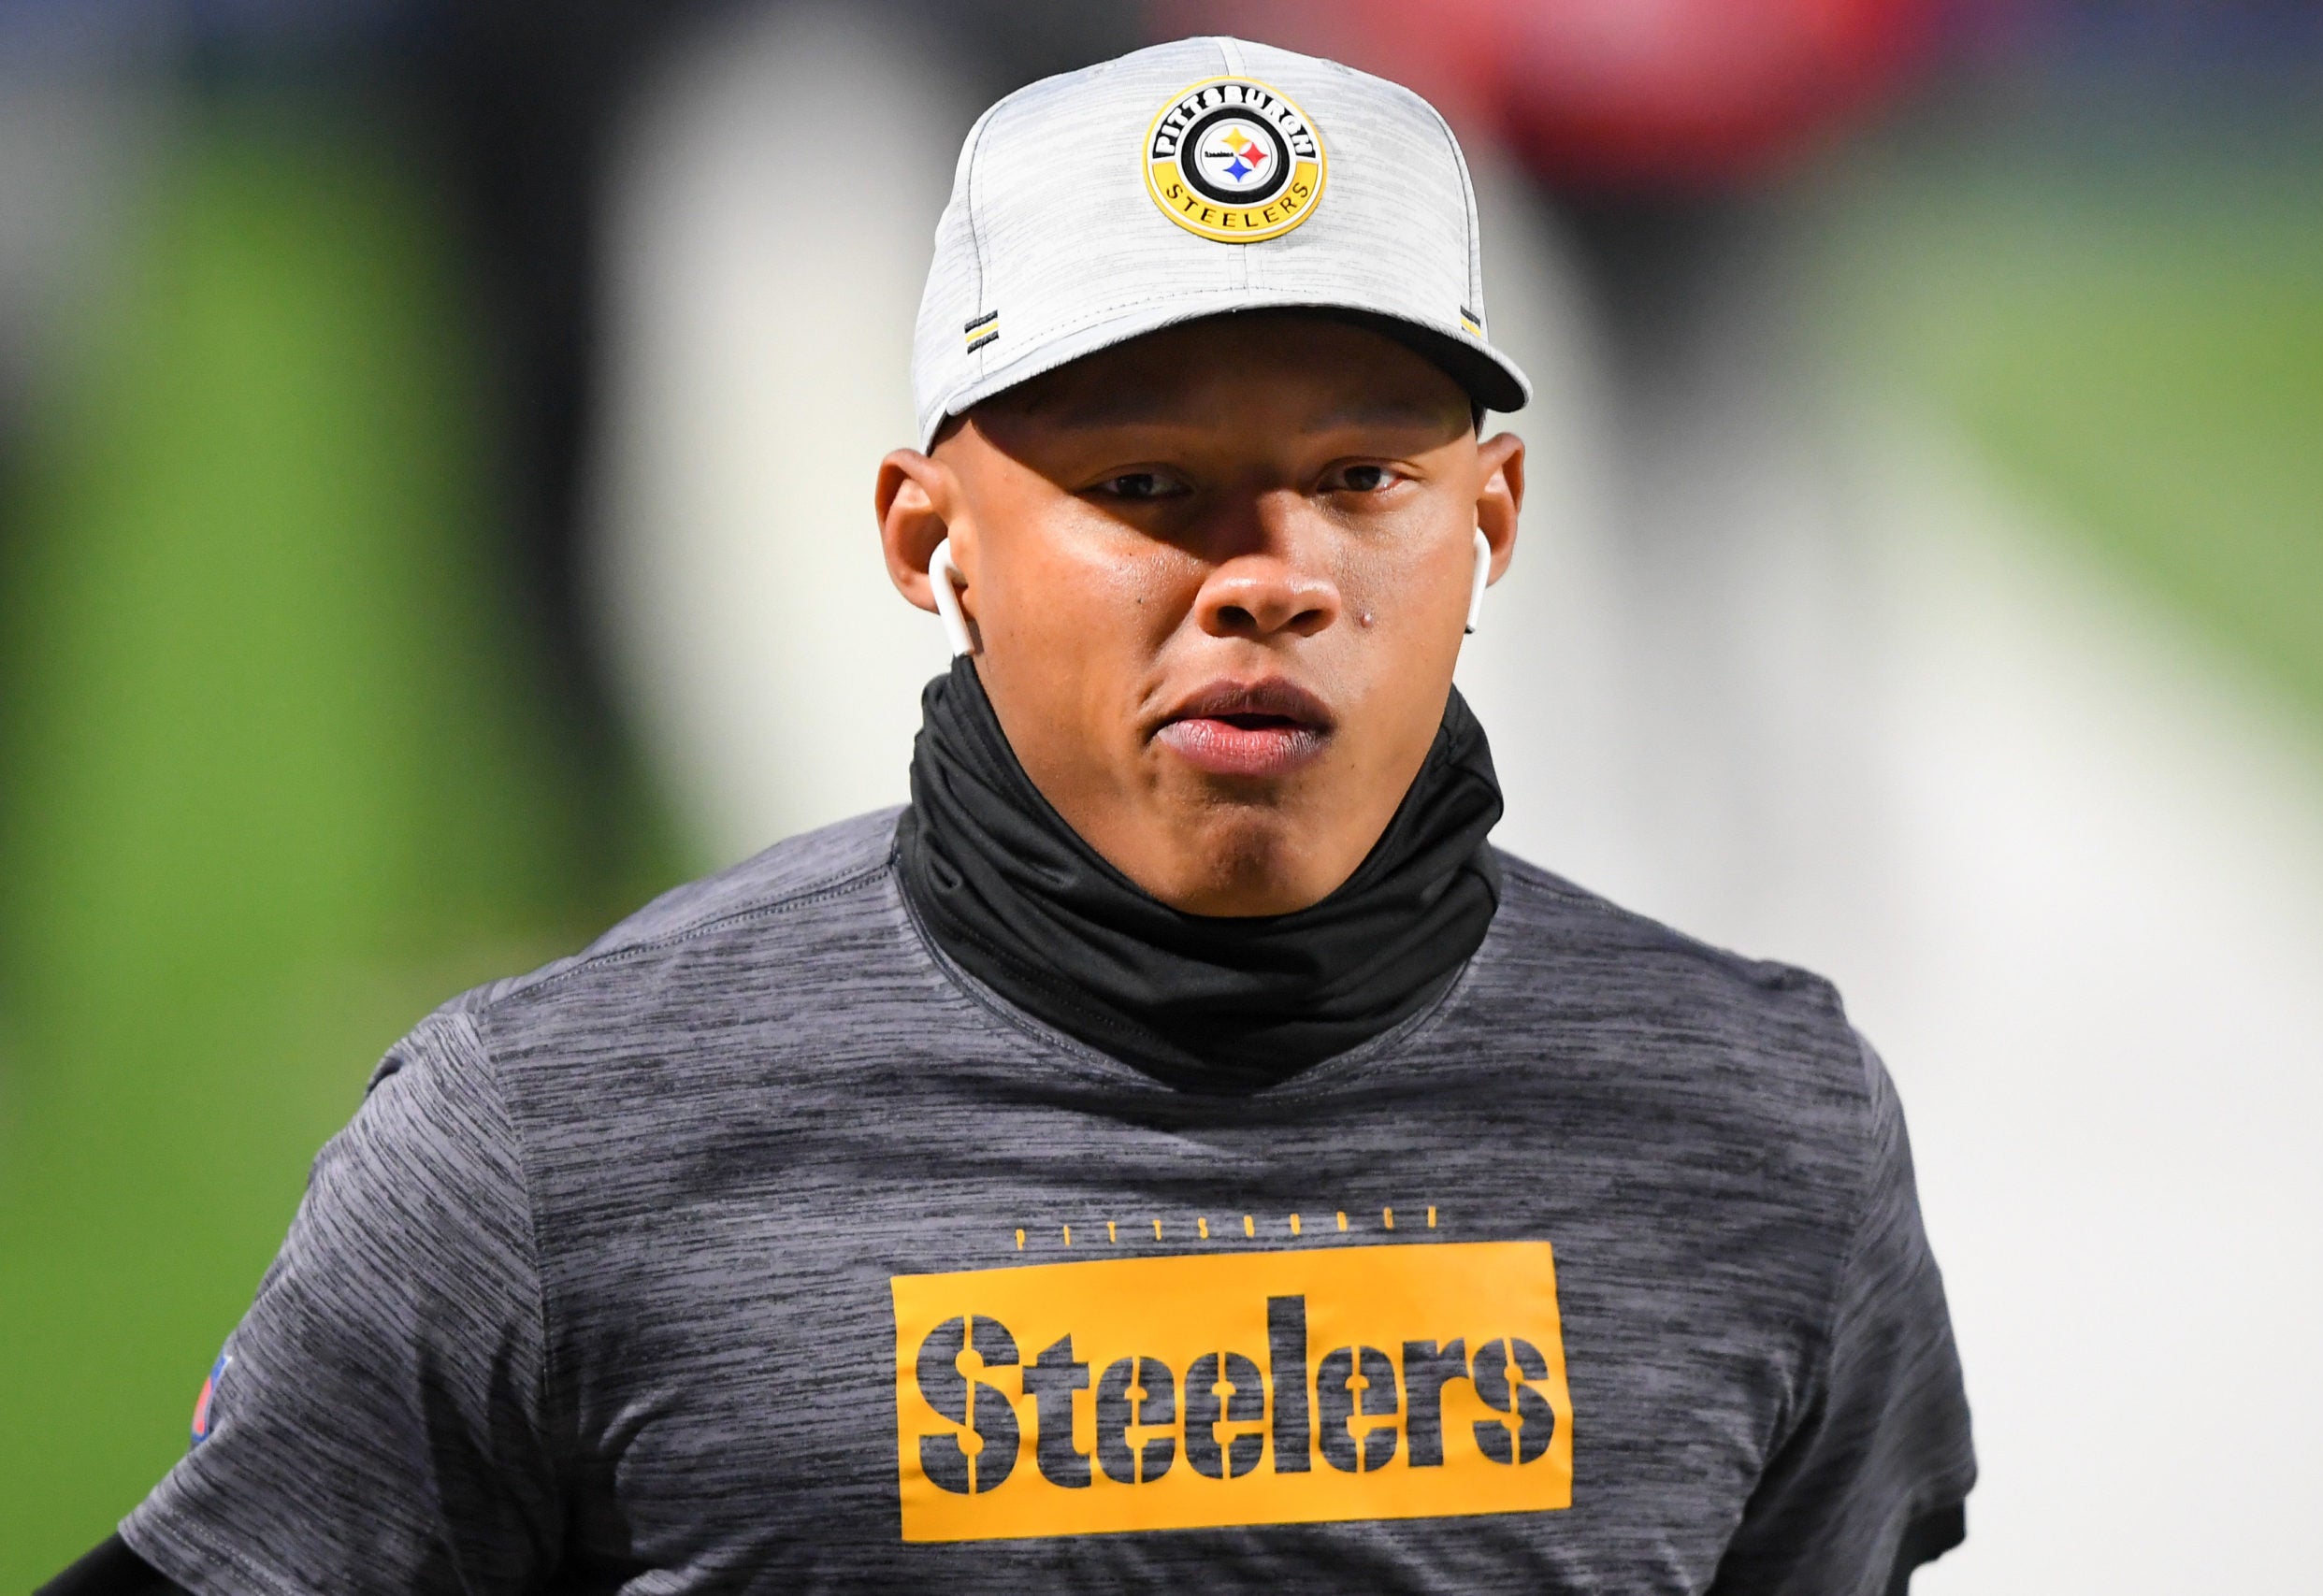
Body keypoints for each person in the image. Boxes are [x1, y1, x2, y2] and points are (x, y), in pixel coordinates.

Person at [43, 35, 1971, 1595]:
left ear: (1489, 522)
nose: (1266, 573)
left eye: (1360, 472)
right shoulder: (543, 1151)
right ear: (923, 536)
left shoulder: (1767, 1129)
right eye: (1144, 478)